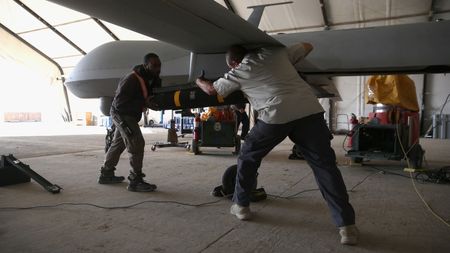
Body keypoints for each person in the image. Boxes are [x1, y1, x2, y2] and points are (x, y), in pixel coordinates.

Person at [196, 44, 358, 245]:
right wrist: (286, 61)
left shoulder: (240, 70)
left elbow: (212, 90)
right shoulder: (276, 53)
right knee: (325, 167)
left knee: (248, 155)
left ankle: (241, 206)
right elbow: (308, 46)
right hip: (309, 111)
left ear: (234, 63)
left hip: (276, 115)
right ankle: (347, 227)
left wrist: (199, 81)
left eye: (231, 66)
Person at [98, 53, 161, 192]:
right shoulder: (131, 79)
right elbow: (120, 104)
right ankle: (135, 180)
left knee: (118, 144)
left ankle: (106, 173)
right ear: (146, 65)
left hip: (130, 114)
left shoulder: (151, 78)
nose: (158, 68)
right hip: (122, 114)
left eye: (159, 65)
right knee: (136, 142)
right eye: (154, 65)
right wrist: (144, 103)